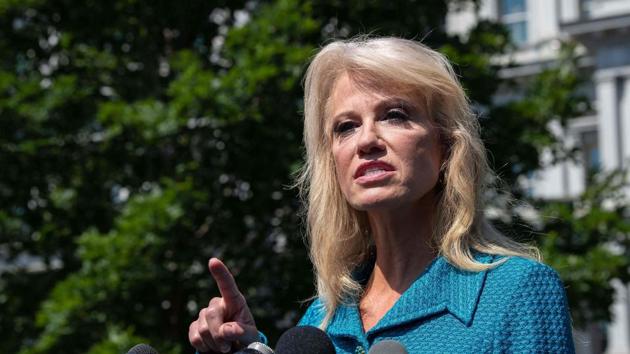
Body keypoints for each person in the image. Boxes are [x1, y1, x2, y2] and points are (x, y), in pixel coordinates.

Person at [188, 37, 575, 353]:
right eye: (346, 127)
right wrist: (248, 347)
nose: (367, 141)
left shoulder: (518, 292)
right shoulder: (322, 321)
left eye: (395, 115)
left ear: (447, 145)